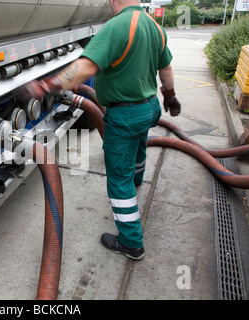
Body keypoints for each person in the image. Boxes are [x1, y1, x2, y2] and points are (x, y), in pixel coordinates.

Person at [19, 0, 181, 260]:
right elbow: (166, 68)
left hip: (125, 113)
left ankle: (131, 242)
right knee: (139, 147)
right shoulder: (154, 25)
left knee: (118, 180)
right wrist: (170, 97)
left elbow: (85, 67)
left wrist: (46, 86)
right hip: (149, 108)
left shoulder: (116, 26)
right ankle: (137, 180)